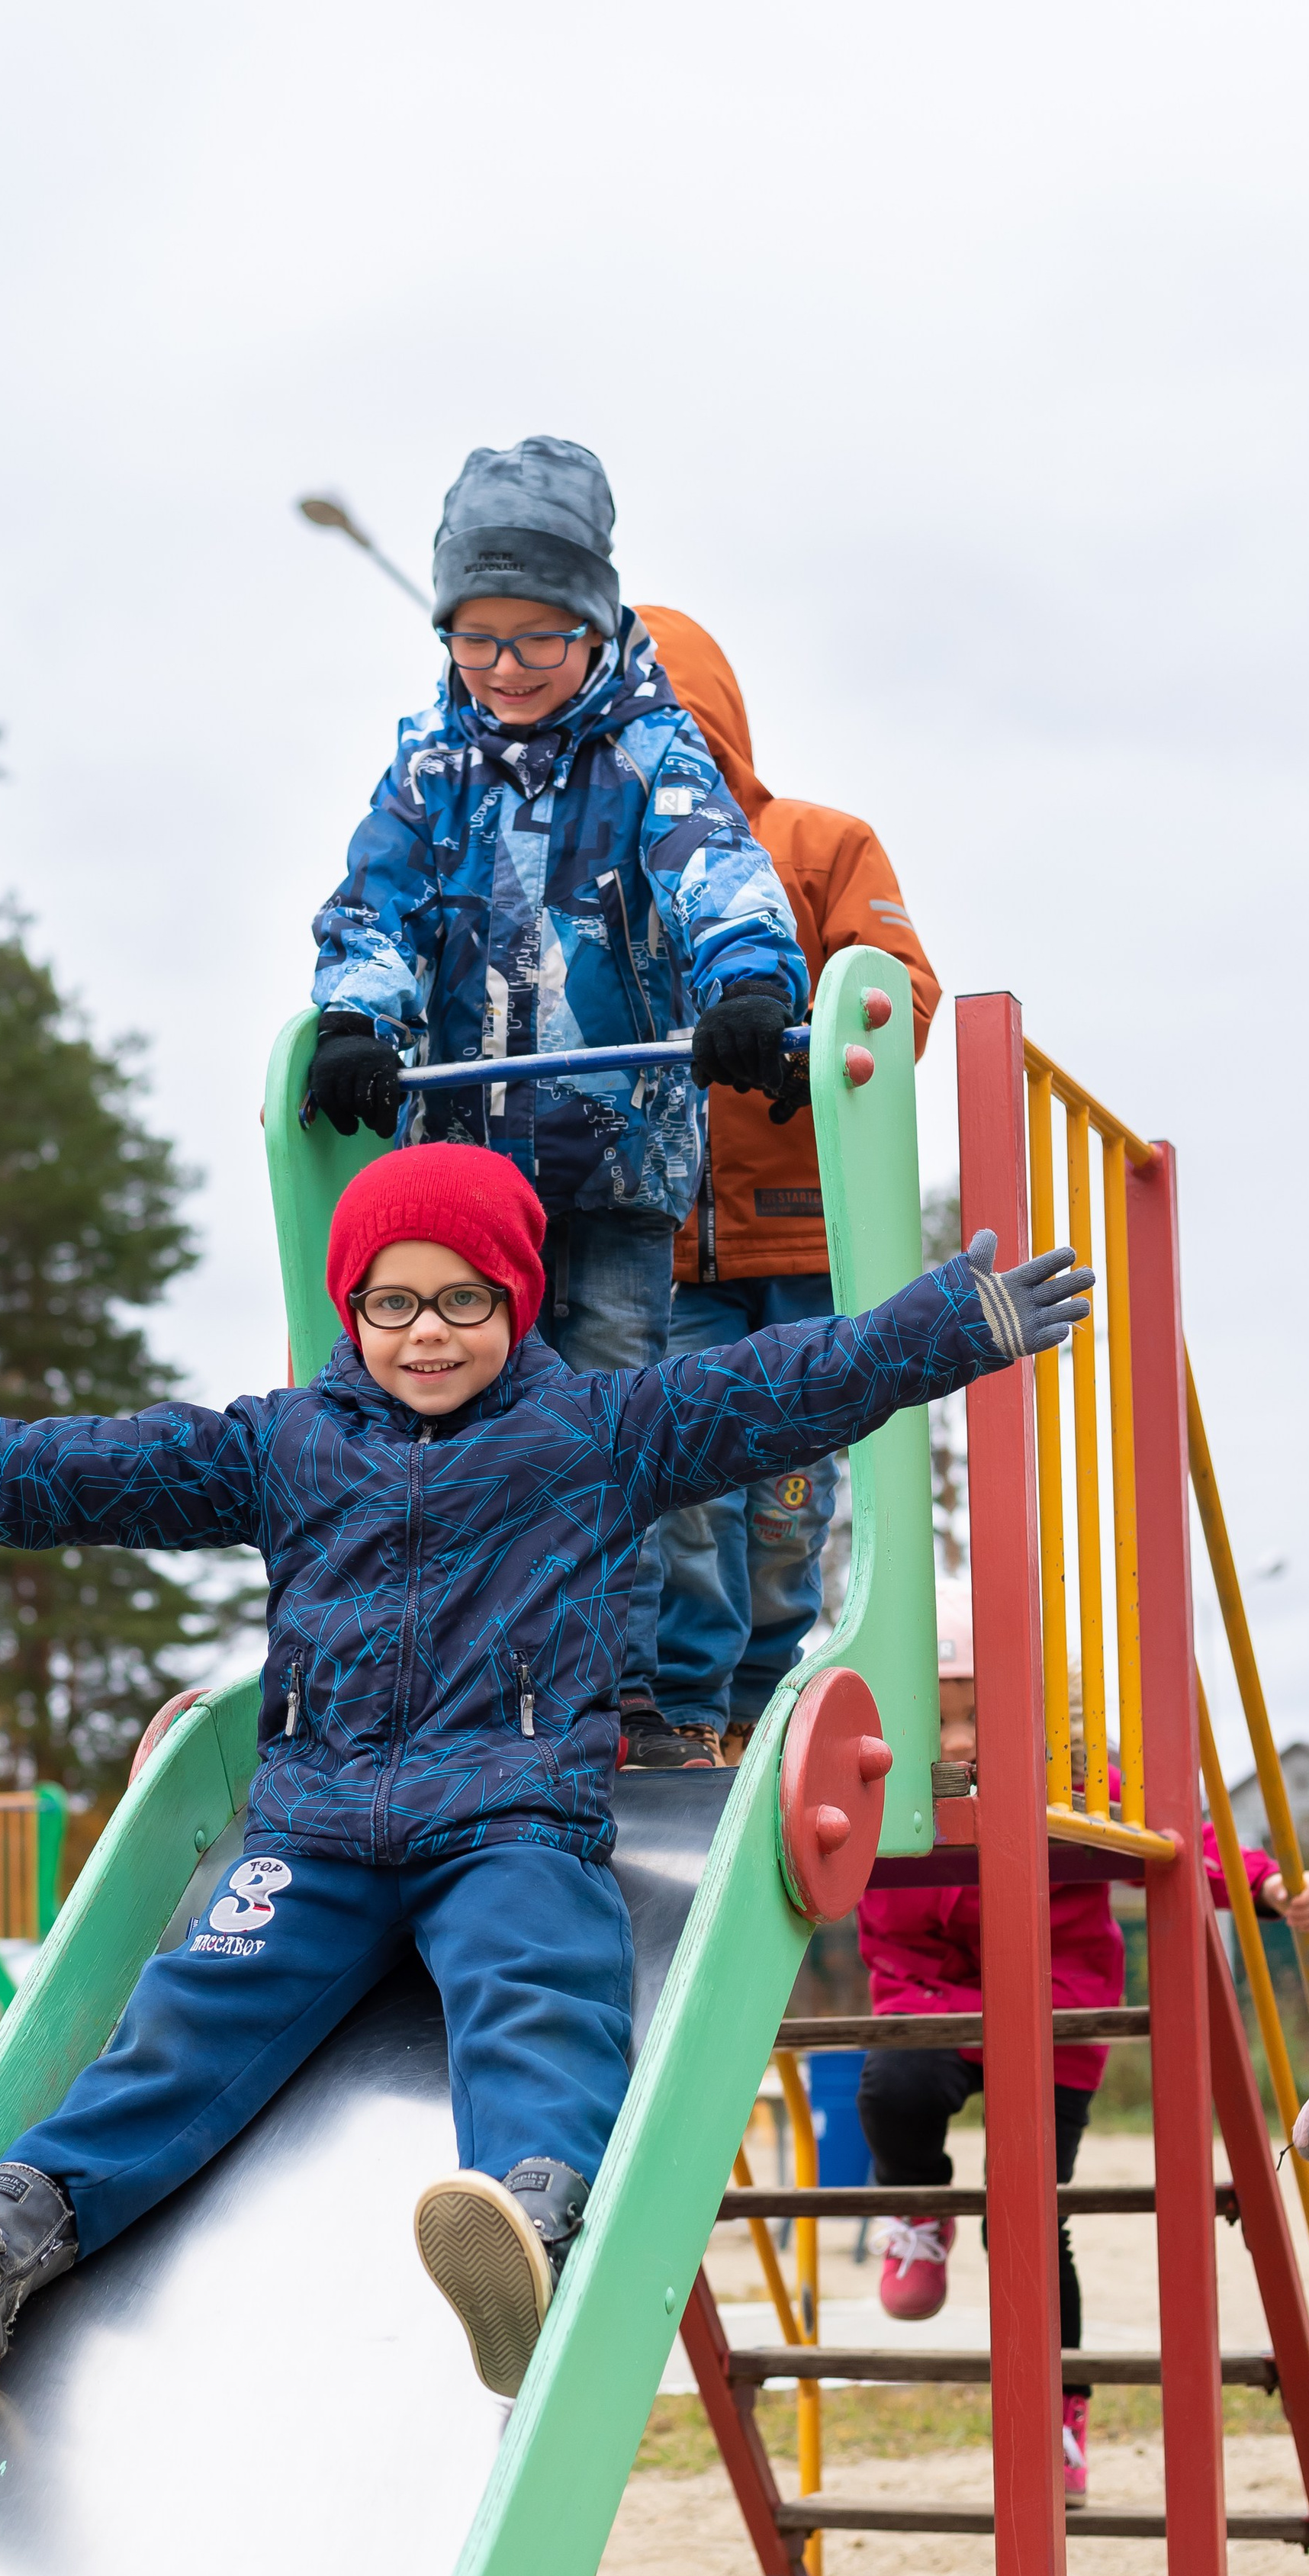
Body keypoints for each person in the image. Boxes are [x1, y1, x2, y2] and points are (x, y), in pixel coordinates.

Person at [0, 1147, 1092, 2405]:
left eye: (464, 1299)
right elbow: (99, 1469)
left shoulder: (593, 1431)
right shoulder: (286, 1443)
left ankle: (524, 2226)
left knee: (540, 1988)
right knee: (190, 2014)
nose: (428, 1333)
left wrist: (950, 1324)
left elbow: (781, 1384)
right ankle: (6, 2242)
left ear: (517, 1298)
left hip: (510, 1819)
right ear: (352, 1310)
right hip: (315, 1830)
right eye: (393, 1303)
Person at [305, 438, 812, 1768]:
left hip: (611, 1156)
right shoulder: (431, 769)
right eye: (477, 637)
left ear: (593, 620)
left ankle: (624, 1693)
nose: (507, 667)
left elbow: (713, 867)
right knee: (456, 1421)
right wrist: (358, 1016)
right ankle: (465, 1684)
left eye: (537, 635)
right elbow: (373, 902)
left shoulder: (650, 752)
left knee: (606, 1416)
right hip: (467, 1167)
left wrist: (748, 984)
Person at [855, 1582, 1309, 2500]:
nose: (960, 1740)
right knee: (894, 2087)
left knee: (1028, 2220)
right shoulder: (888, 1787)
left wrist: (1266, 1886)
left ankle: (1059, 2412)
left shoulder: (1073, 1784)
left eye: (979, 1716)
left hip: (1050, 2006)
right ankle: (915, 2205)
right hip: (927, 1991)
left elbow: (1181, 1837)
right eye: (939, 1719)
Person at [628, 606, 943, 1764]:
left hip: (803, 1230)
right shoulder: (604, 876)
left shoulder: (814, 844)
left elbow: (896, 994)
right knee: (685, 1475)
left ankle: (757, 1695)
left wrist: (794, 1036)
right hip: (664, 1237)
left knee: (784, 1488)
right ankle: (681, 1703)